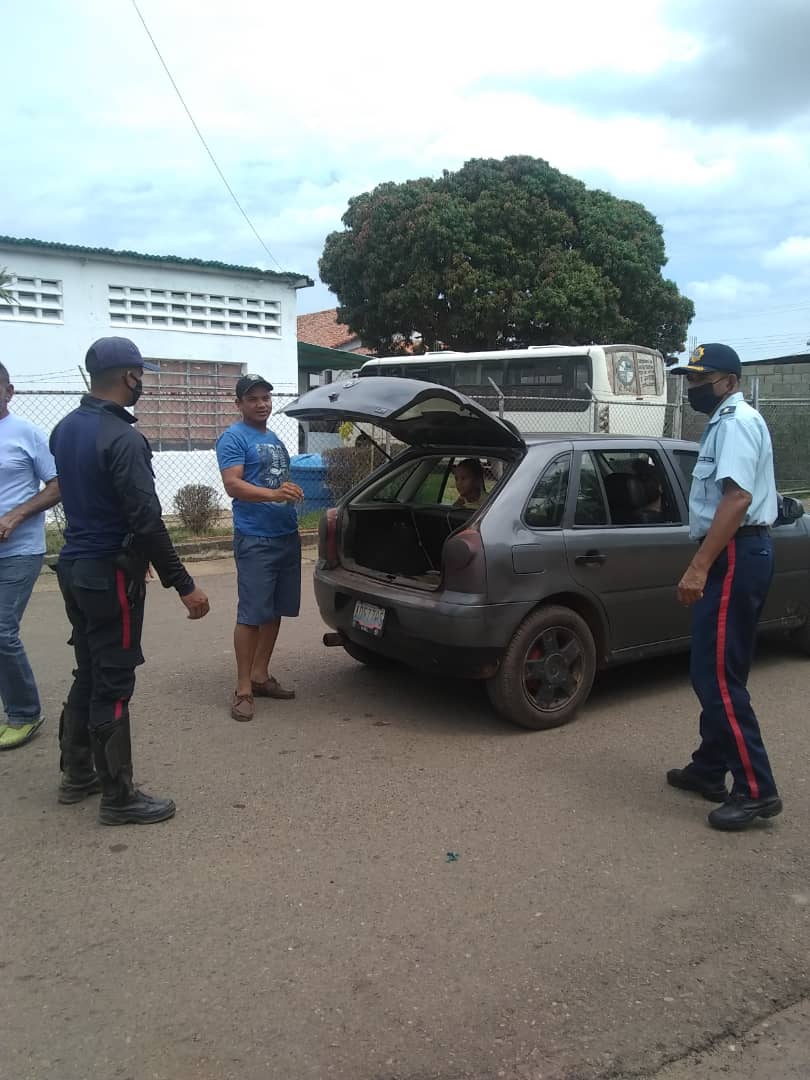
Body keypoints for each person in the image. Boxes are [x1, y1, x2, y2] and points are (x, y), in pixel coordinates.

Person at [50, 337, 210, 825]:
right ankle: (118, 797)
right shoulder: (123, 439)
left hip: (74, 569)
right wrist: (184, 584)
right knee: (114, 682)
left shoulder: (65, 429)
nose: (143, 383)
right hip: (109, 575)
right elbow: (146, 521)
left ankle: (77, 773)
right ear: (129, 377)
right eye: (142, 375)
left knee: (89, 671)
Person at [667, 343, 781, 831]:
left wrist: (699, 565)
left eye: (701, 379)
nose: (692, 388)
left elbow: (736, 499)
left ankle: (756, 790)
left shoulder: (734, 423)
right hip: (739, 552)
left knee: (716, 678)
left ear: (728, 382)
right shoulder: (728, 421)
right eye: (689, 379)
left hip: (735, 552)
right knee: (715, 670)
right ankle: (710, 768)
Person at [216, 375, 304, 722]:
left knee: (274, 611)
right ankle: (242, 689)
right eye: (252, 398)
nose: (262, 403)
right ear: (239, 404)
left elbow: (273, 481)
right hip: (256, 538)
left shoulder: (275, 439)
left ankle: (261, 675)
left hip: (285, 535)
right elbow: (233, 484)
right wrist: (274, 495)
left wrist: (288, 490)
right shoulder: (234, 437)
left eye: (266, 397)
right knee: (252, 614)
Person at [0, 362, 61, 750]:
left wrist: (16, 515)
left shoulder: (26, 434)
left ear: (9, 391)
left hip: (18, 550)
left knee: (1, 631)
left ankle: (24, 712)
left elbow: (58, 485)